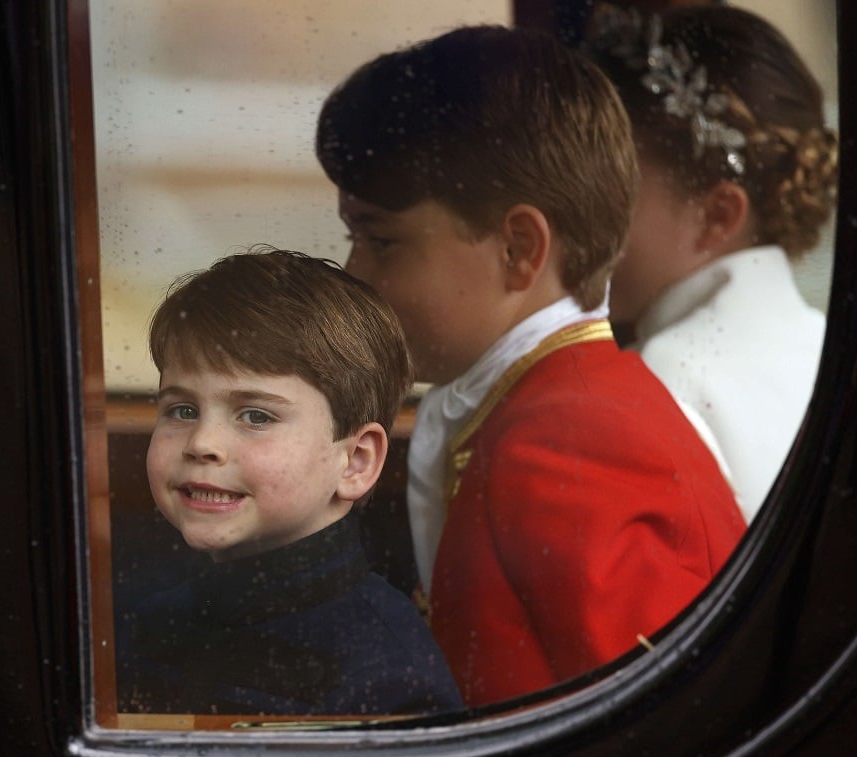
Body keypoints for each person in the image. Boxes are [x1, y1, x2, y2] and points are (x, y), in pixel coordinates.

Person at [315, 24, 747, 706]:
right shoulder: (541, 409)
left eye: (381, 240)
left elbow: (654, 726)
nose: (354, 272)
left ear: (519, 248)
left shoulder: (568, 441)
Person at [116, 248, 463, 716]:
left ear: (355, 462)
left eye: (256, 416)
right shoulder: (148, 622)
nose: (202, 442)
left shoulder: (386, 676)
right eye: (182, 410)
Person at [584, 5, 838, 522]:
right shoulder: (829, 347)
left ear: (716, 216)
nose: (581, 215)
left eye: (609, 188)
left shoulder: (655, 387)